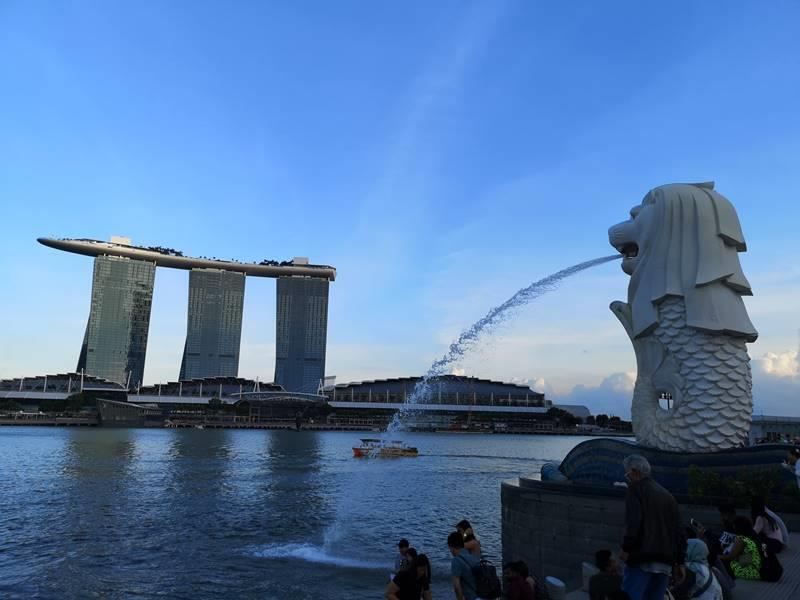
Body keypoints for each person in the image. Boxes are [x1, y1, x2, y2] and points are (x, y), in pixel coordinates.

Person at [618, 454, 686, 600]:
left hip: (642, 557)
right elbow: (679, 531)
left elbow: (633, 523)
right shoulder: (668, 495)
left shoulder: (635, 489)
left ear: (634, 471)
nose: (627, 477)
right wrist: (680, 562)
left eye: (627, 473)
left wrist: (626, 548)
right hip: (665, 561)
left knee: (630, 596)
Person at [719, 516, 761, 580]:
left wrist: (717, 557)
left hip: (751, 570)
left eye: (734, 526)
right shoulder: (752, 535)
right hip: (756, 564)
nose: (733, 527)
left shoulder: (741, 539)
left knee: (723, 563)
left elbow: (730, 557)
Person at [448, 530, 480, 600]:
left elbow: (456, 586)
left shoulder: (456, 561)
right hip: (483, 596)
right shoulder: (473, 557)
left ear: (452, 548)